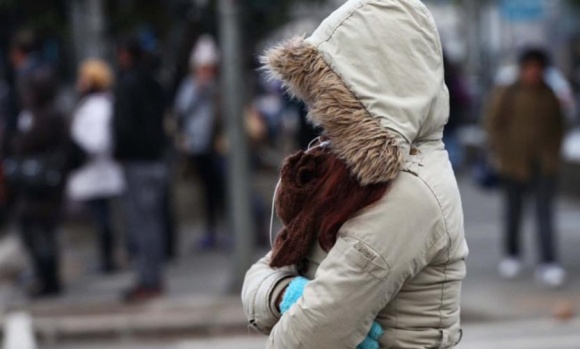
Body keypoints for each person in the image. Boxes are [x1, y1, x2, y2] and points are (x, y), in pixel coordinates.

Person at [241, 0, 468, 348]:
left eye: (335, 93)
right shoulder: (348, 173)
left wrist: (292, 298)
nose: (319, 111)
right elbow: (267, 269)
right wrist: (285, 294)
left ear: (373, 89)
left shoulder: (407, 193)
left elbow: (307, 337)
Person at [485, 48, 566, 288]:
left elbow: (559, 127)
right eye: (529, 67)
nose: (533, 72)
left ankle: (549, 262)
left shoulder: (550, 94)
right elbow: (492, 124)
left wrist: (552, 155)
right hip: (513, 164)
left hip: (544, 165)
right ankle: (512, 255)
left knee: (544, 215)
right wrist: (502, 154)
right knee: (513, 212)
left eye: (537, 68)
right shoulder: (507, 93)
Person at [113, 36, 168, 302]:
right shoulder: (153, 82)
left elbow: (122, 126)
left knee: (142, 224)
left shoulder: (127, 84)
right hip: (156, 159)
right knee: (153, 222)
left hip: (136, 162)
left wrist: (120, 150)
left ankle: (148, 278)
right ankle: (153, 276)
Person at [9, 68, 68, 297]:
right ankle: (45, 276)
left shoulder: (48, 116)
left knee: (39, 231)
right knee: (39, 231)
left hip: (43, 185)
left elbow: (28, 142)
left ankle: (48, 278)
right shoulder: (37, 114)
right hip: (39, 184)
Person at [67, 60, 125, 274]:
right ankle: (107, 258)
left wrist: (80, 151)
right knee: (101, 217)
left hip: (98, 169)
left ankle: (108, 260)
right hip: (96, 171)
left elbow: (98, 141)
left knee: (104, 219)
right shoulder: (94, 104)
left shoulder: (99, 106)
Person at [173, 35, 225, 249]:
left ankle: (220, 230)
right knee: (206, 191)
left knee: (219, 190)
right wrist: (198, 91)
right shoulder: (190, 86)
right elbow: (181, 109)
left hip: (216, 146)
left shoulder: (218, 87)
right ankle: (210, 231)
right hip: (197, 147)